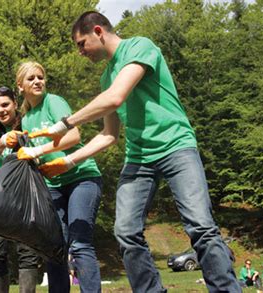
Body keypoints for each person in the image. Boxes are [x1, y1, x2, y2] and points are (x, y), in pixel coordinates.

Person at [28, 11, 241, 293]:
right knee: (126, 232)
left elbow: (117, 96)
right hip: (139, 159)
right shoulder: (106, 78)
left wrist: (65, 124)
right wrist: (68, 161)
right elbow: (108, 135)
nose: (80, 52)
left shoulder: (140, 46)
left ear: (98, 31)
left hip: (177, 146)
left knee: (200, 227)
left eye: (81, 43)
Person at [15, 61, 102, 293]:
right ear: (20, 86)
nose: (37, 81)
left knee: (80, 243)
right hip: (53, 185)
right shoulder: (26, 119)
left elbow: (73, 136)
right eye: (31, 78)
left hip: (81, 177)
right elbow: (34, 156)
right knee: (54, 247)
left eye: (40, 77)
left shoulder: (53, 101)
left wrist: (37, 151)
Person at [0, 86, 41, 293]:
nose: (1, 110)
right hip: (2, 195)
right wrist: (3, 140)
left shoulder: (29, 121)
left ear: (15, 104)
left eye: (5, 105)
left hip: (27, 193)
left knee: (27, 250)